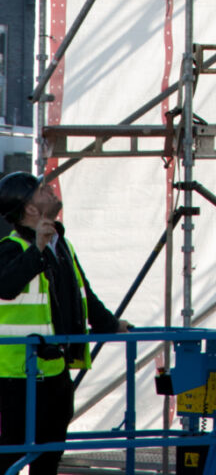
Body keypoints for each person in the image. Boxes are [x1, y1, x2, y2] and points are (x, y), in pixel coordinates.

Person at [0, 174, 129, 475]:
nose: (51, 190)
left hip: (54, 369)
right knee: (12, 453)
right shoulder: (11, 248)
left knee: (49, 455)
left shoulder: (62, 245)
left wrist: (110, 324)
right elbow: (6, 285)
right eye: (42, 190)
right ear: (30, 209)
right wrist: (38, 250)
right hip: (17, 373)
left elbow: (83, 294)